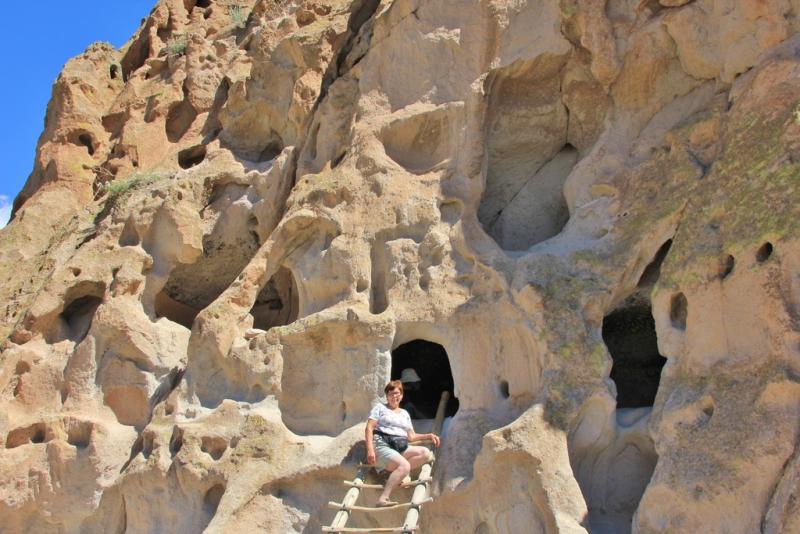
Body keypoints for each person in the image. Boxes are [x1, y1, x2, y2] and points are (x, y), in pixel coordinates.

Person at [365, 380, 441, 506]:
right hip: (382, 445)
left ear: (402, 395)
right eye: (391, 393)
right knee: (405, 466)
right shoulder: (380, 408)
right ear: (387, 395)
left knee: (426, 453)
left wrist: (428, 435)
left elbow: (411, 436)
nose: (395, 396)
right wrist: (370, 450)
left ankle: (397, 474)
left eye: (397, 393)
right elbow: (369, 428)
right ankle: (383, 498)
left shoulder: (404, 413)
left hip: (400, 447)